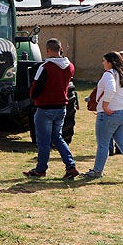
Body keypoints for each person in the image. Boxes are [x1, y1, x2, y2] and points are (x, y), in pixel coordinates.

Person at [23, 38, 79, 179]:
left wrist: (33, 98)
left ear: (47, 50)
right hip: (61, 107)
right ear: (60, 49)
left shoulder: (45, 67)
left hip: (45, 108)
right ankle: (70, 166)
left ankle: (41, 169)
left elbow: (35, 87)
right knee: (58, 138)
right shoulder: (70, 66)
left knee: (43, 141)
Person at [83, 51, 123, 180]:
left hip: (111, 113)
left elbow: (110, 89)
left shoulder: (109, 74)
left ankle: (97, 171)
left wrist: (105, 105)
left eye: (104, 61)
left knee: (103, 144)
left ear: (110, 63)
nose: (103, 63)